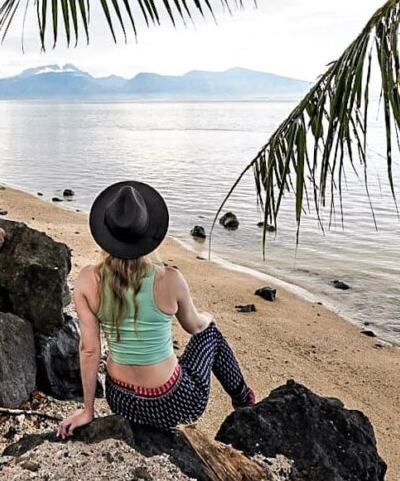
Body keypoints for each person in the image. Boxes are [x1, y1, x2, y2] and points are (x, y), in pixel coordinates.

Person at [57, 180, 256, 438]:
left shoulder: (86, 280)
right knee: (211, 335)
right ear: (147, 234)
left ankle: (243, 400)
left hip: (122, 401)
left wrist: (88, 410)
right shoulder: (169, 279)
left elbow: (89, 349)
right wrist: (209, 316)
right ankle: (244, 401)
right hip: (173, 404)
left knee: (176, 357)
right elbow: (194, 326)